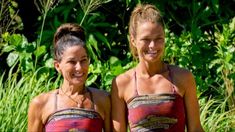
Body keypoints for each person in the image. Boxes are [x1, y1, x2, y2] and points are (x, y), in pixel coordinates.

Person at [111, 3, 204, 132]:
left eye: (158, 38)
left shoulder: (183, 78)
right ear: (133, 40)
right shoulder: (122, 84)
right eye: (146, 39)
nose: (153, 46)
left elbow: (196, 129)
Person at [28, 23, 111, 132]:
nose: (79, 68)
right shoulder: (40, 104)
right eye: (72, 62)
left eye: (83, 60)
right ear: (57, 66)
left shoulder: (103, 99)